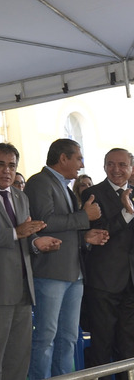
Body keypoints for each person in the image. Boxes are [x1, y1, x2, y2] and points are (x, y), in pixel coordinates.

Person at [0, 143, 61, 380]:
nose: (7, 171)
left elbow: (24, 235)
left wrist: (36, 242)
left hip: (23, 289)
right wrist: (16, 232)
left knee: (19, 360)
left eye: (12, 166)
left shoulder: (21, 197)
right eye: (0, 164)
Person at [26, 138, 109, 379]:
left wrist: (86, 237)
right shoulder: (39, 182)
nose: (81, 165)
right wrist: (84, 217)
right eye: (78, 158)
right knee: (45, 338)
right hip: (50, 273)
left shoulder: (63, 185)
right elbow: (44, 222)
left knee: (69, 338)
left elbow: (65, 229)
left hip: (74, 273)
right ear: (63, 158)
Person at [81, 149, 134, 373]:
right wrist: (126, 213)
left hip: (130, 283)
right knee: (102, 347)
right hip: (104, 283)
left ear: (131, 168)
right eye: (111, 164)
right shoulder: (92, 194)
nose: (116, 169)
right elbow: (99, 232)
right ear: (104, 167)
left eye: (122, 165)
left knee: (128, 347)